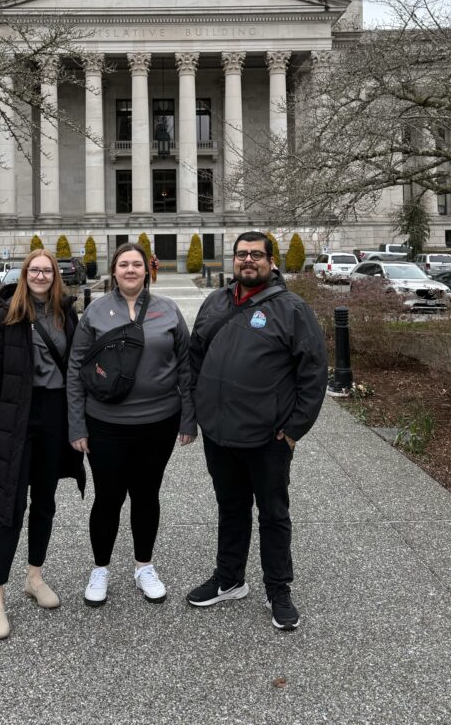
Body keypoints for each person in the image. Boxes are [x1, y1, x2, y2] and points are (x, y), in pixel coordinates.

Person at [186, 230, 327, 631]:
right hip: (219, 434)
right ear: (233, 260)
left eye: (256, 255)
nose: (248, 260)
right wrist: (198, 411)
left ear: (271, 261)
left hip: (269, 438)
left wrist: (295, 428)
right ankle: (230, 579)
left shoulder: (292, 308)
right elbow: (195, 358)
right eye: (242, 254)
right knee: (230, 508)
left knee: (273, 515)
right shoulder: (215, 302)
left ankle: (278, 589)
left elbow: (314, 372)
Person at [67, 242, 195, 607]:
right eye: (123, 264)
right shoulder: (95, 311)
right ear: (114, 270)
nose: (130, 270)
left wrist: (188, 417)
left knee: (146, 495)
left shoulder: (168, 310)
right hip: (105, 423)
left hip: (159, 423)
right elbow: (76, 369)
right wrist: (77, 425)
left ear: (147, 270)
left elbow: (185, 367)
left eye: (136, 264)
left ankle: (144, 566)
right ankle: (100, 569)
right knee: (108, 496)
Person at [0, 249, 85, 639]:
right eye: (34, 270)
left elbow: (77, 372)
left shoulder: (65, 314)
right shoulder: (7, 315)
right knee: (9, 508)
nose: (40, 275)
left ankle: (34, 577)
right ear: (25, 274)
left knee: (46, 503)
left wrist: (80, 424)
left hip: (54, 417)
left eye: (47, 270)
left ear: (56, 276)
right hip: (16, 418)